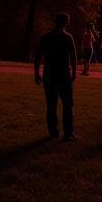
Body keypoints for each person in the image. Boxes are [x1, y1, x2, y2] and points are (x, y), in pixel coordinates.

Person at [34, 12, 77, 141]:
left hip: (49, 75)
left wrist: (36, 73)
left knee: (51, 105)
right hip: (63, 75)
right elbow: (73, 56)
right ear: (66, 22)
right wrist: (74, 72)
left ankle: (53, 131)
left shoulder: (45, 37)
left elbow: (38, 57)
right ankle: (68, 132)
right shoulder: (68, 37)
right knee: (68, 104)